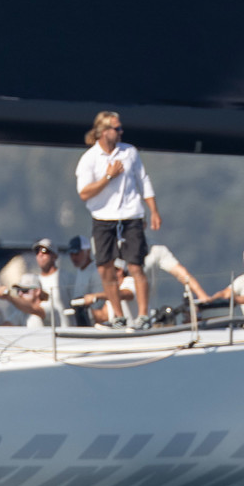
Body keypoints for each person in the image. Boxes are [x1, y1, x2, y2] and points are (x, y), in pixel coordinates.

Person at [75, 110, 162, 329]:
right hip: (103, 218)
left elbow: (143, 180)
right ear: (104, 132)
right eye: (117, 128)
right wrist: (108, 177)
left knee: (135, 266)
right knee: (105, 268)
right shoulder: (89, 159)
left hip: (131, 215)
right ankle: (118, 315)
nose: (121, 131)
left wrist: (153, 211)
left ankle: (143, 316)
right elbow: (84, 193)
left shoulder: (129, 152)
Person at [0, 238, 72, 327]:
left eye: (25, 290)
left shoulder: (50, 307)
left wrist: (9, 298)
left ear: (37, 291)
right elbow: (5, 327)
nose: (20, 294)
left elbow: (34, 309)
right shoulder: (21, 312)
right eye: (18, 291)